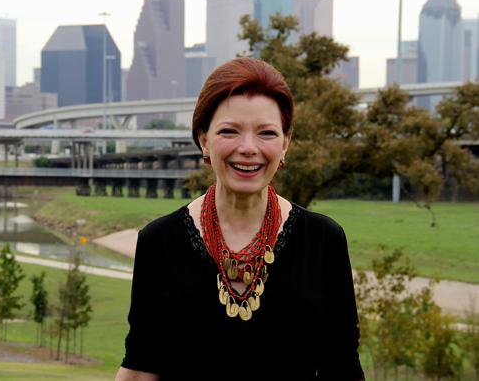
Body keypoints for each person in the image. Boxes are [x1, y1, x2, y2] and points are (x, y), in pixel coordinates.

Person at [115, 58, 365, 381]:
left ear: (286, 143)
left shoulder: (323, 240)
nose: (248, 148)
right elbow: (140, 367)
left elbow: (343, 367)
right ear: (204, 139)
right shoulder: (160, 241)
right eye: (230, 131)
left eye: (267, 133)